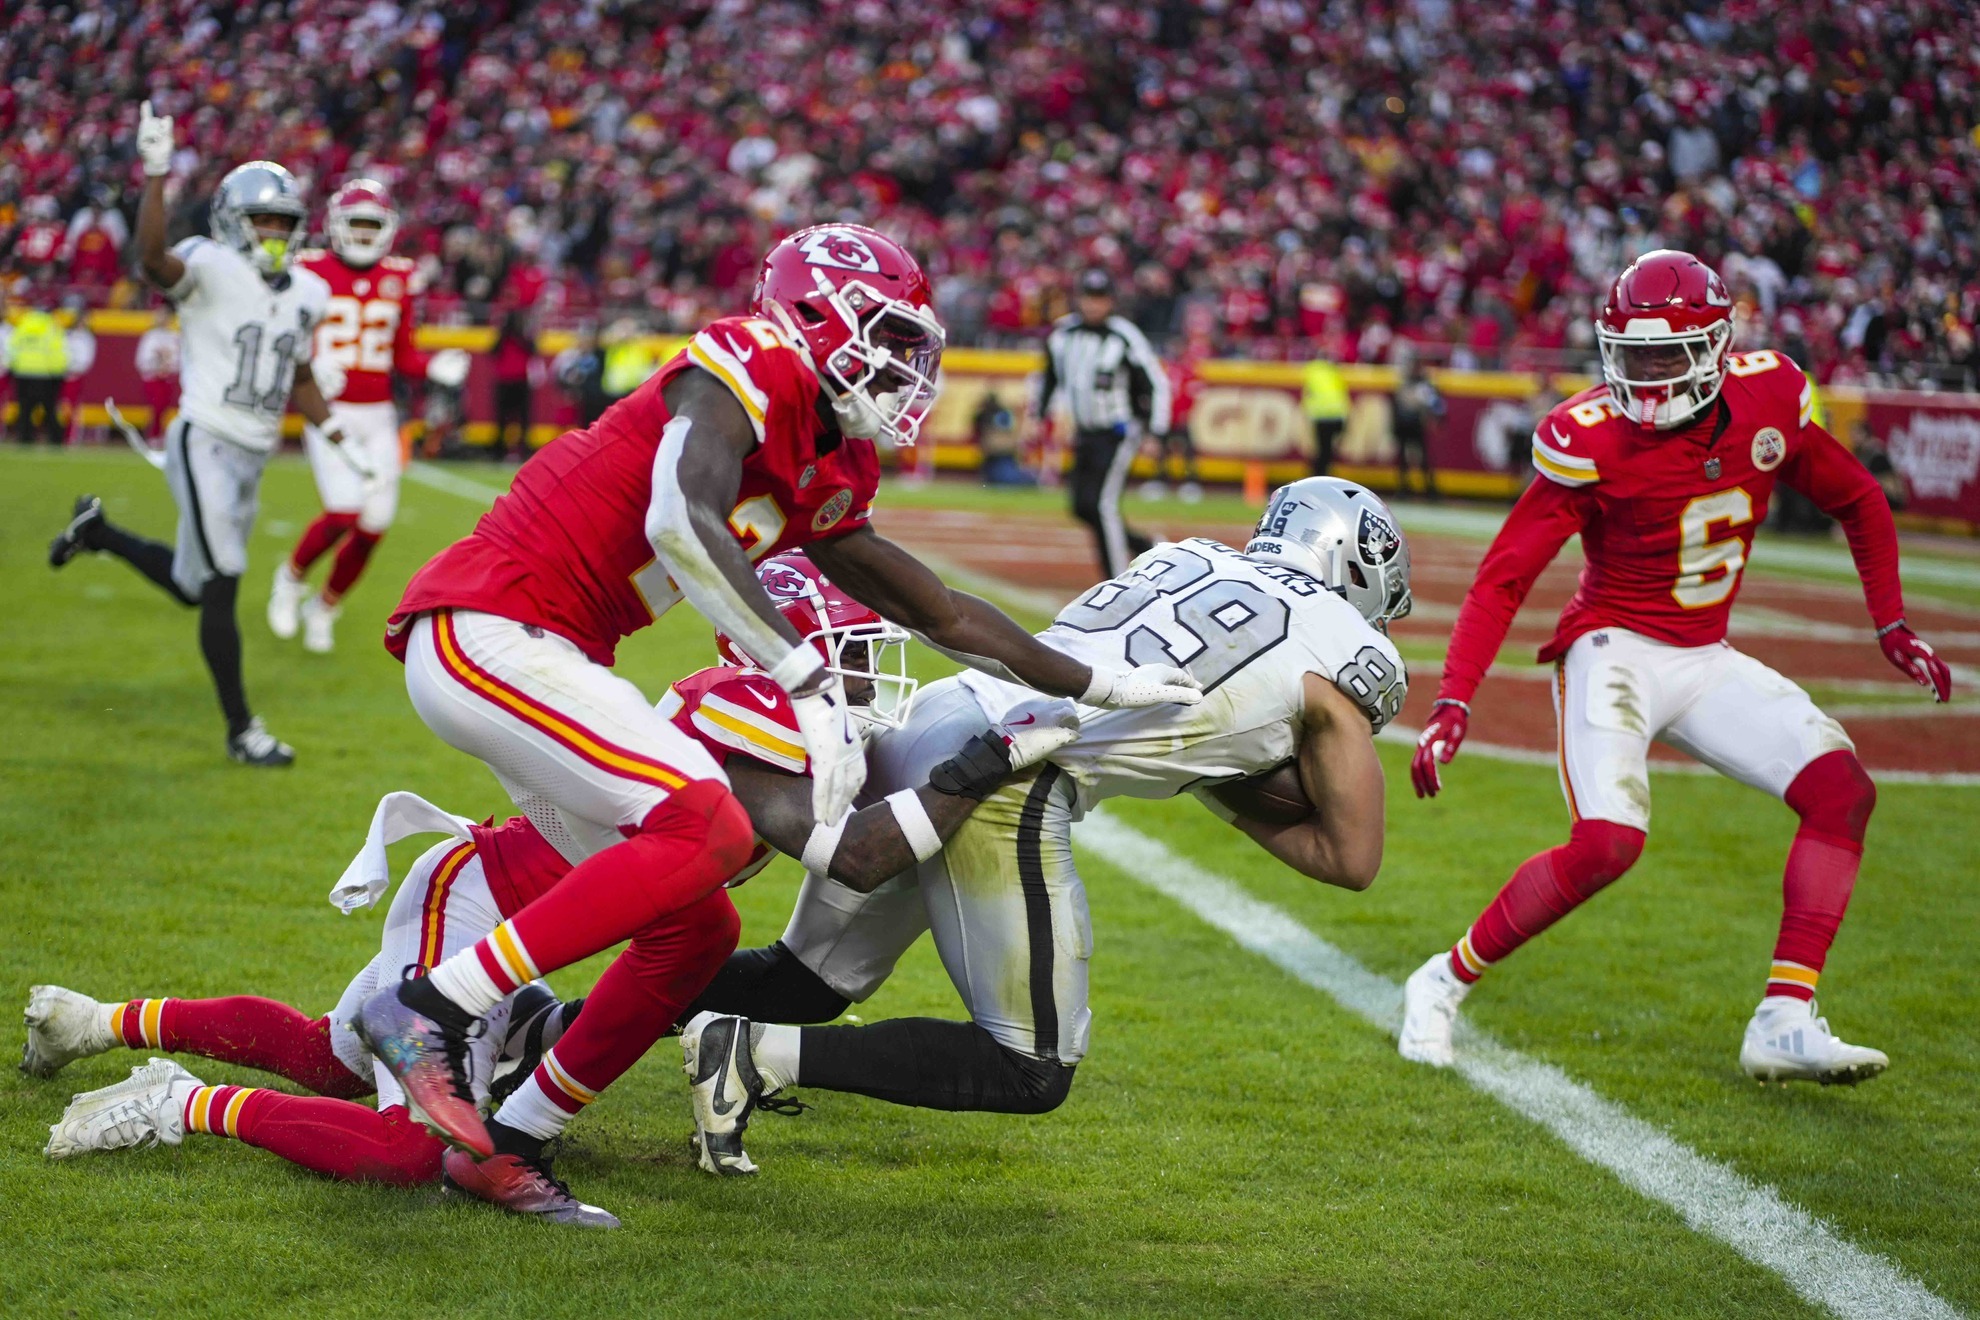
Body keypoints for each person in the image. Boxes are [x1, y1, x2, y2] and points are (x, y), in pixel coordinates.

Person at [350, 224, 1200, 1171]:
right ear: (816, 314)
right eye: (889, 336)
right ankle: (426, 1008)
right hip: (493, 623)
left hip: (553, 652)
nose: (904, 370)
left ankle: (511, 1138)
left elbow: (943, 612)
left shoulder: (826, 458)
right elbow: (679, 517)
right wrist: (804, 679)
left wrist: (1102, 682)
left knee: (696, 921)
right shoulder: (755, 356)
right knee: (708, 828)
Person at [31, 562, 1066, 1226]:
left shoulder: (781, 720)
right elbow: (847, 857)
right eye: (841, 646)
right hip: (477, 905)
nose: (858, 671)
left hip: (522, 918)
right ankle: (179, 1104)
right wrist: (977, 769)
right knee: (399, 1150)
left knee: (333, 1052)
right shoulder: (741, 710)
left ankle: (100, 1019)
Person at [677, 478, 1411, 1175]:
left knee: (803, 979)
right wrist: (1222, 787)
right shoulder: (1344, 648)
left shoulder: (1184, 554)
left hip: (938, 710)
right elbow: (1352, 857)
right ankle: (751, 1054)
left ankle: (566, 1033)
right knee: (1030, 1064)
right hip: (1010, 770)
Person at [1400, 250, 1954, 1083]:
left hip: (1703, 655)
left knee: (1841, 793)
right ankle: (1441, 980)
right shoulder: (1590, 438)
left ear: (1719, 345)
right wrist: (1454, 700)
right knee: (1609, 844)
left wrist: (1892, 621)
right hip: (1614, 646)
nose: (1648, 373)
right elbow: (1505, 573)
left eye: (1666, 355)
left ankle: (1784, 1016)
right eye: (1632, 355)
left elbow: (1859, 499)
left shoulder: (1770, 395)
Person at [47, 104, 354, 767]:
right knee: (225, 582)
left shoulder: (306, 290)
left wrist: (332, 427)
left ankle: (97, 531)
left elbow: (298, 369)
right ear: (231, 221)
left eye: (284, 223)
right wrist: (156, 173)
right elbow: (152, 258)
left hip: (253, 453)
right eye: (262, 221)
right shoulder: (209, 266)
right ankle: (243, 730)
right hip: (206, 438)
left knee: (194, 584)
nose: (274, 233)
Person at [269, 179, 470, 654]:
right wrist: (308, 365)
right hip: (328, 410)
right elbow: (279, 333)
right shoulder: (307, 270)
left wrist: (434, 365)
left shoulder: (398, 279)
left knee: (374, 522)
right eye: (354, 224)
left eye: (370, 225)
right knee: (343, 510)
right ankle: (291, 577)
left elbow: (403, 357)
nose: (361, 234)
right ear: (336, 226)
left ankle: (325, 608)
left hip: (378, 415)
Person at [1035, 269, 1174, 578]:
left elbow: (1156, 384)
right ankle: (1148, 546)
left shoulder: (1124, 336)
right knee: (1081, 506)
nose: (1094, 306)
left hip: (1119, 431)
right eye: (1089, 298)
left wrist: (1155, 432)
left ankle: (1113, 579)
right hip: (1084, 432)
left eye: (1100, 299)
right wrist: (1038, 415)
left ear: (1111, 301)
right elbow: (1049, 377)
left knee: (1102, 505)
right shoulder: (1062, 335)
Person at [8, 293, 68, 444]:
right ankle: (55, 439)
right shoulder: (51, 326)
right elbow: (57, 351)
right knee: (49, 407)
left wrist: (13, 367)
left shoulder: (23, 324)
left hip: (22, 372)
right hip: (45, 373)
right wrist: (58, 374)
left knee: (25, 408)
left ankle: (24, 438)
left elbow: (12, 348)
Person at [1390, 345, 1441, 498]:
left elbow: (1434, 402)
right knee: (1404, 459)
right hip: (1404, 423)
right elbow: (1398, 403)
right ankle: (1405, 487)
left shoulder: (1421, 382)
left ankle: (1429, 489)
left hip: (1415, 423)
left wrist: (1436, 416)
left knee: (1422, 458)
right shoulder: (1406, 381)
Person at [490, 308, 535, 459]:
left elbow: (534, 350)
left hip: (520, 380)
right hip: (505, 381)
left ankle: (523, 449)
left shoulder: (522, 338)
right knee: (502, 418)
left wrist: (518, 335)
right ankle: (500, 450)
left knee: (523, 418)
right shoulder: (504, 337)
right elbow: (493, 351)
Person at [133, 308, 181, 440]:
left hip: (167, 378)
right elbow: (142, 360)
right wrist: (156, 362)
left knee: (163, 407)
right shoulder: (150, 336)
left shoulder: (174, 336)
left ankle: (158, 434)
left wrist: (168, 365)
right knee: (156, 406)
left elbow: (178, 358)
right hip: (153, 378)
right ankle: (153, 434)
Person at [1301, 352, 1350, 476]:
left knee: (1322, 449)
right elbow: (1341, 393)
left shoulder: (1311, 372)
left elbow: (1308, 394)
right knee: (1328, 450)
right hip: (1336, 415)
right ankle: (1321, 473)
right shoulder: (1334, 372)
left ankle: (1317, 473)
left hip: (1320, 416)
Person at [60, 293, 97, 443]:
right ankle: (59, 433)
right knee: (61, 407)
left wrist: (74, 366)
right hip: (62, 374)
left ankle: (70, 436)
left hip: (75, 376)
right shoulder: (66, 334)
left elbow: (87, 360)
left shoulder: (88, 338)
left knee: (72, 407)